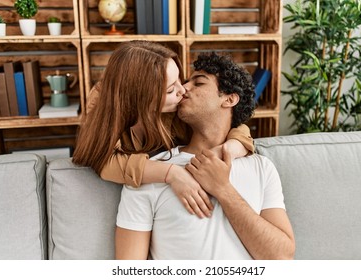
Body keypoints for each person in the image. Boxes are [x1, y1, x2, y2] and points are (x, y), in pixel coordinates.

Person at [115, 52, 295, 260]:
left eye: (198, 83)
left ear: (229, 99)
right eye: (182, 83)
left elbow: (282, 258)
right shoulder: (149, 173)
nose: (183, 89)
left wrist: (223, 190)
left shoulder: (261, 167)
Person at [72, 40, 254, 218]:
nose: (182, 90)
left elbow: (229, 123)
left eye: (179, 80)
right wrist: (172, 174)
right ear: (139, 96)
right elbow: (104, 161)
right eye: (169, 90)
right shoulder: (104, 105)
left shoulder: (180, 109)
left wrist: (231, 147)